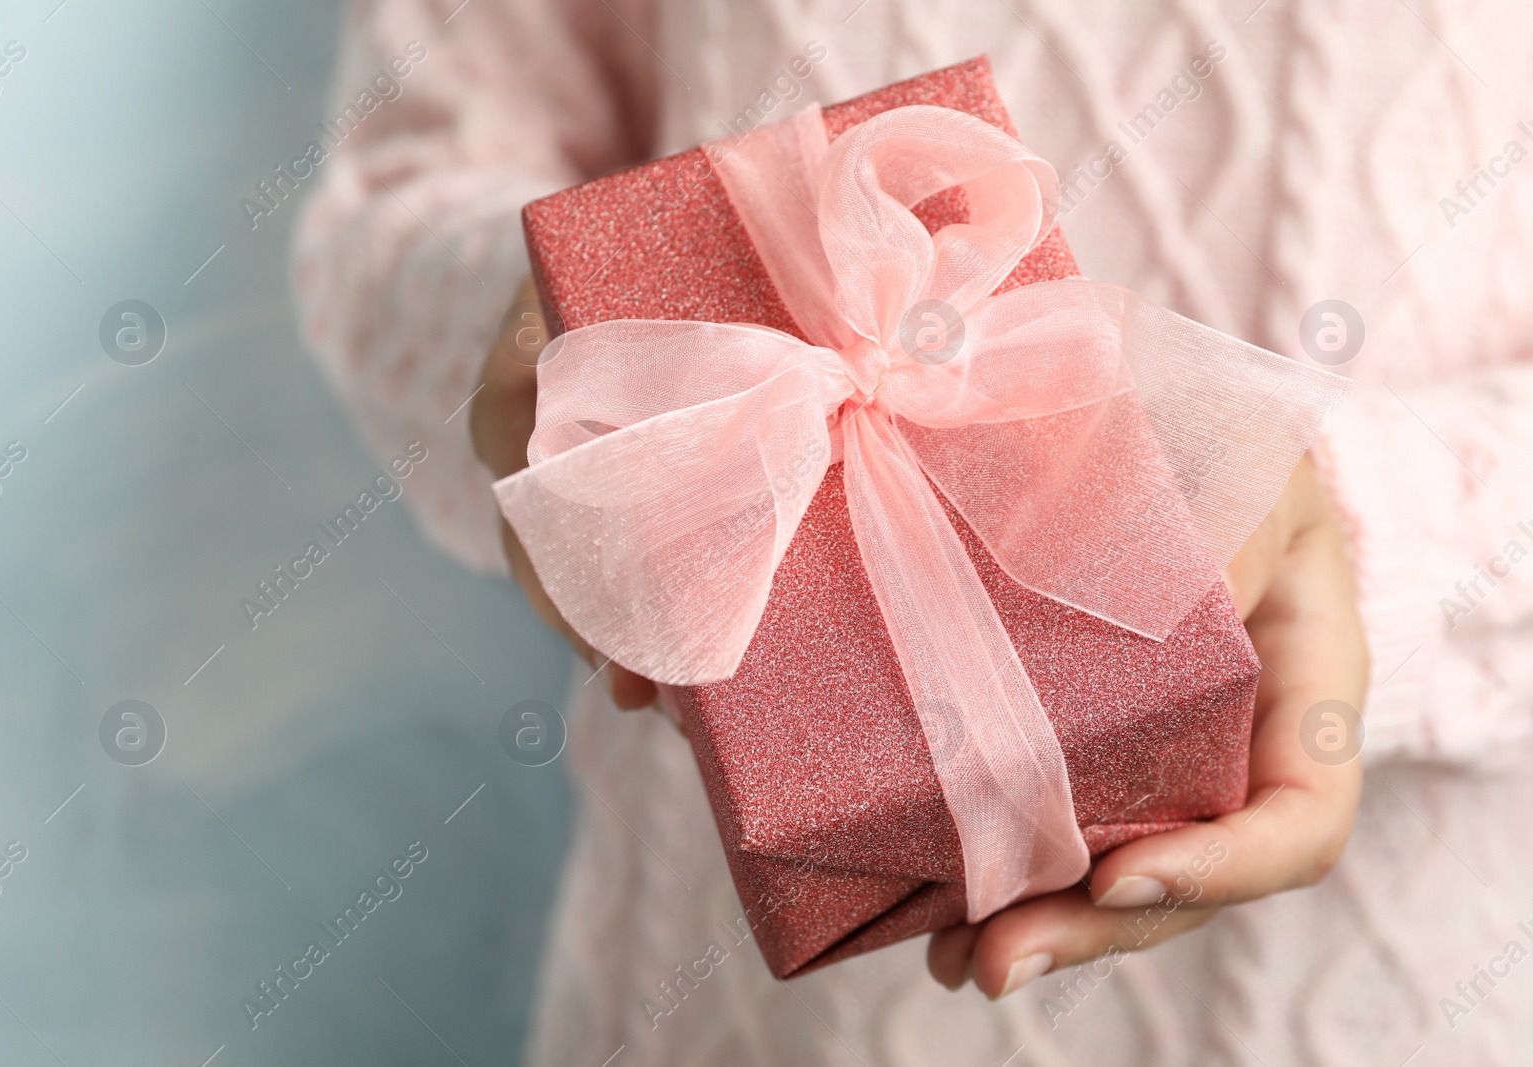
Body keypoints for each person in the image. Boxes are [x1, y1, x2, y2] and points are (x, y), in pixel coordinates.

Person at [294, 2, 1533, 1063]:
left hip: (1410, 991)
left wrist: (1366, 522)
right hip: (710, 1001)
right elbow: (390, 208)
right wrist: (566, 346)